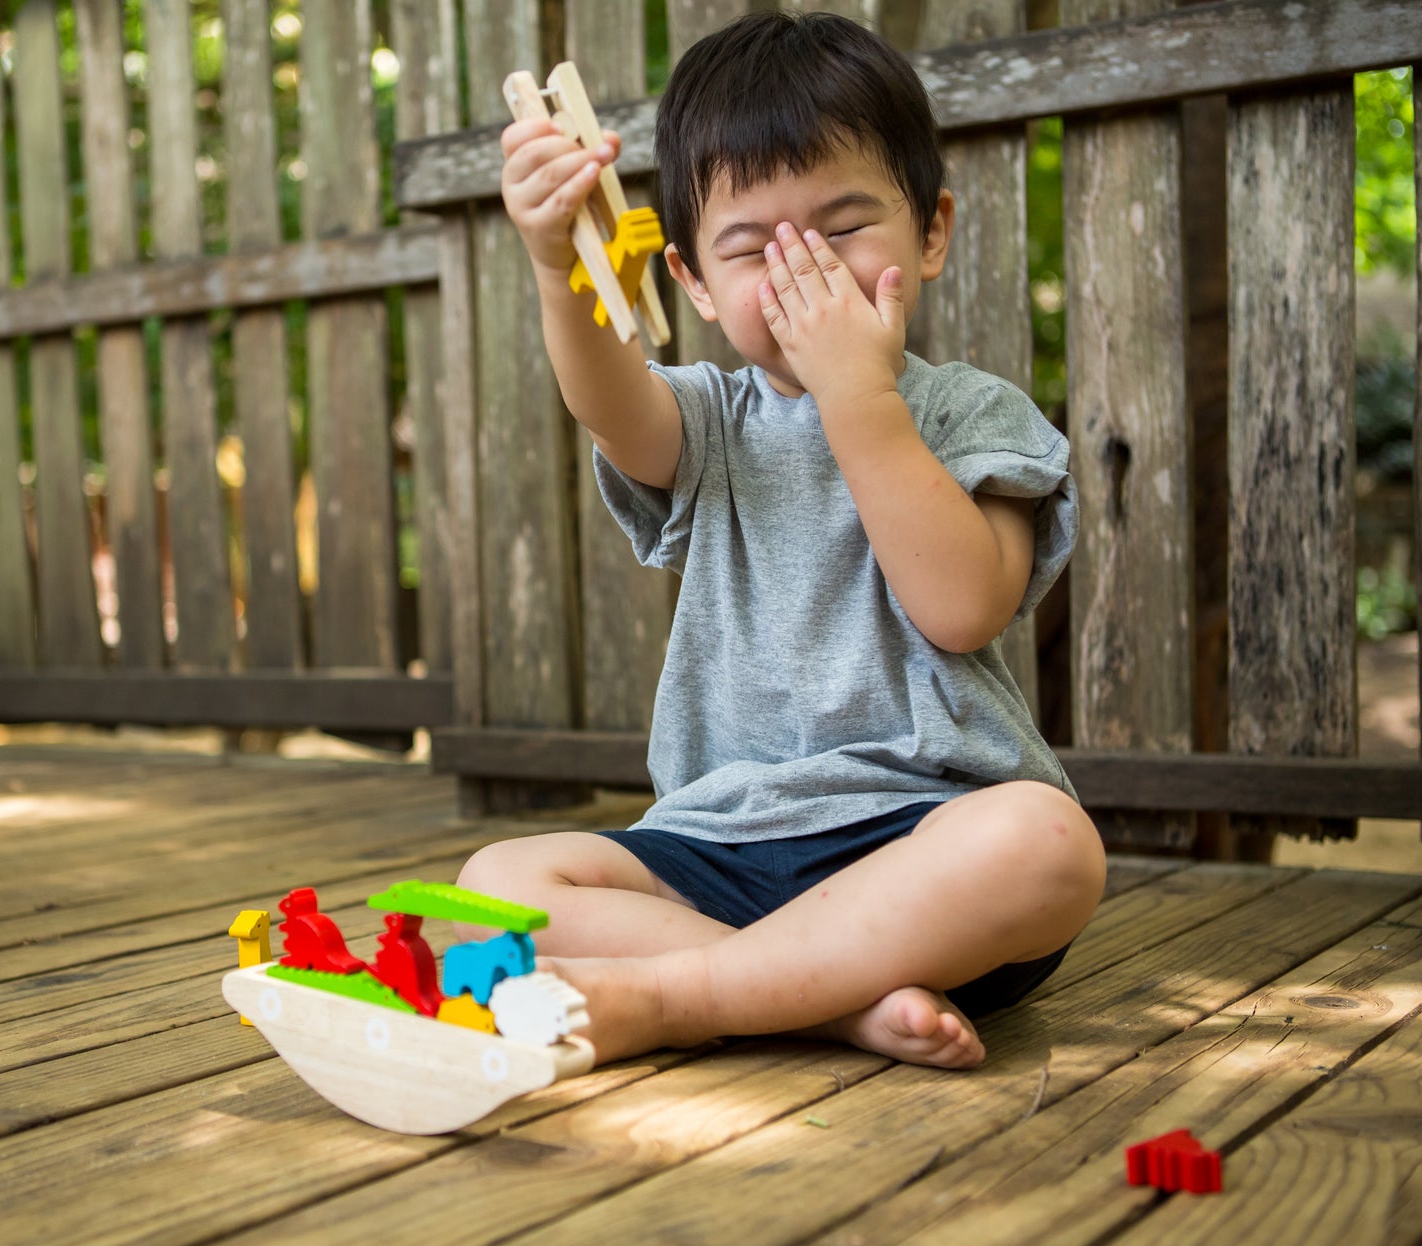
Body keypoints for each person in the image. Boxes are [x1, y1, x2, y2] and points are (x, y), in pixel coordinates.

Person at [455, 9, 1105, 1069]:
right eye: (753, 246)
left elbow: (959, 604)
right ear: (695, 283)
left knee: (1047, 845)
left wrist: (859, 396)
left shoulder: (970, 416)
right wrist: (551, 261)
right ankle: (822, 1000)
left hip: (923, 842)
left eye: (842, 225)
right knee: (493, 885)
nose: (801, 266)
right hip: (718, 843)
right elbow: (608, 402)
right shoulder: (709, 419)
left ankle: (679, 994)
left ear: (929, 230)